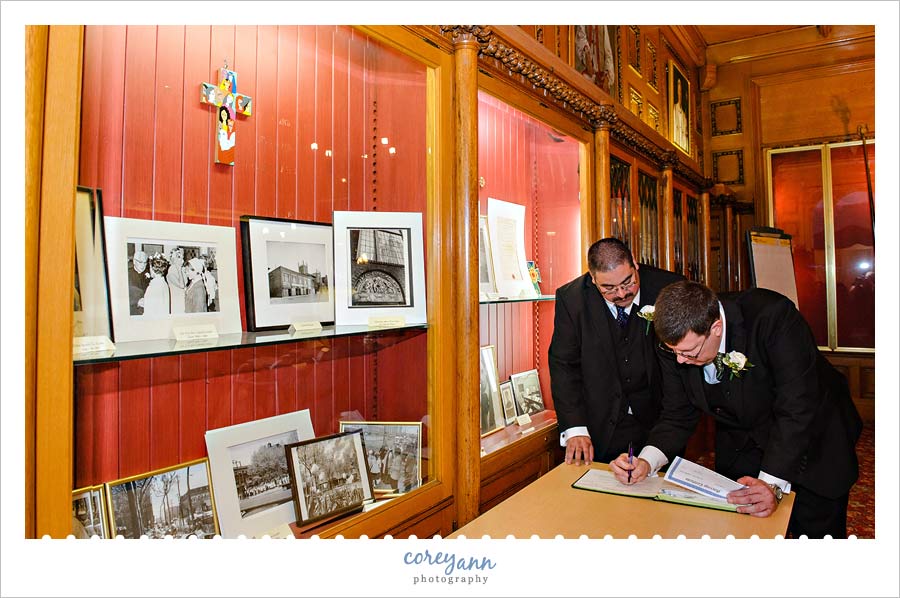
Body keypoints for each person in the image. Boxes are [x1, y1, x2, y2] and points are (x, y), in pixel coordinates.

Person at [610, 281, 863, 538]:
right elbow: (677, 413)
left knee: (812, 531)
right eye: (674, 352)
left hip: (813, 440)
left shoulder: (773, 317)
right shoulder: (677, 343)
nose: (680, 361)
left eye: (689, 353)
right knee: (740, 528)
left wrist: (771, 484)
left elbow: (796, 408)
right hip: (741, 440)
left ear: (716, 328)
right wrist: (646, 461)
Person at [548, 237, 684, 465]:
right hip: (600, 425)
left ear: (634, 264)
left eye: (628, 282)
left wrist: (672, 426)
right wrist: (575, 428)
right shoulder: (572, 299)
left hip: (659, 422)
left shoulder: (670, 289)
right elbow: (563, 365)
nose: (621, 294)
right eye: (608, 289)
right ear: (593, 279)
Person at [127, 250, 150, 315]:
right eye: (140, 262)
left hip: (147, 309)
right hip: (133, 310)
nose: (143, 265)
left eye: (145, 263)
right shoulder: (127, 274)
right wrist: (137, 301)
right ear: (134, 261)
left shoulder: (148, 273)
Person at [166, 246, 187, 314]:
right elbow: (182, 285)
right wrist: (179, 269)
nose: (181, 259)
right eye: (179, 257)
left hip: (183, 298)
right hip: (176, 300)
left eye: (182, 256)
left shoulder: (182, 269)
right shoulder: (171, 270)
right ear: (173, 259)